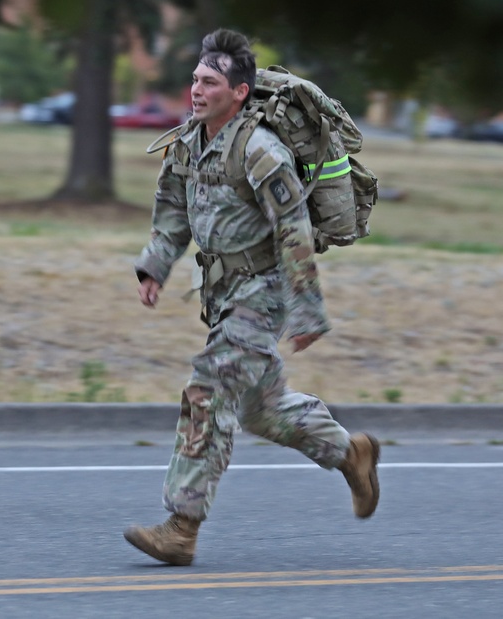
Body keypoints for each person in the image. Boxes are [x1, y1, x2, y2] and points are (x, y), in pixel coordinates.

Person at [123, 29, 380, 566]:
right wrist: (155, 265)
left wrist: (307, 308)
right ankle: (349, 453)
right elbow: (172, 206)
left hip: (262, 293)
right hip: (221, 293)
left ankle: (181, 527)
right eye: (195, 78)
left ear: (239, 92)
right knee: (263, 412)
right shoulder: (189, 140)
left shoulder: (260, 149)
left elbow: (293, 229)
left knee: (208, 393)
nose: (196, 89)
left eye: (210, 82)